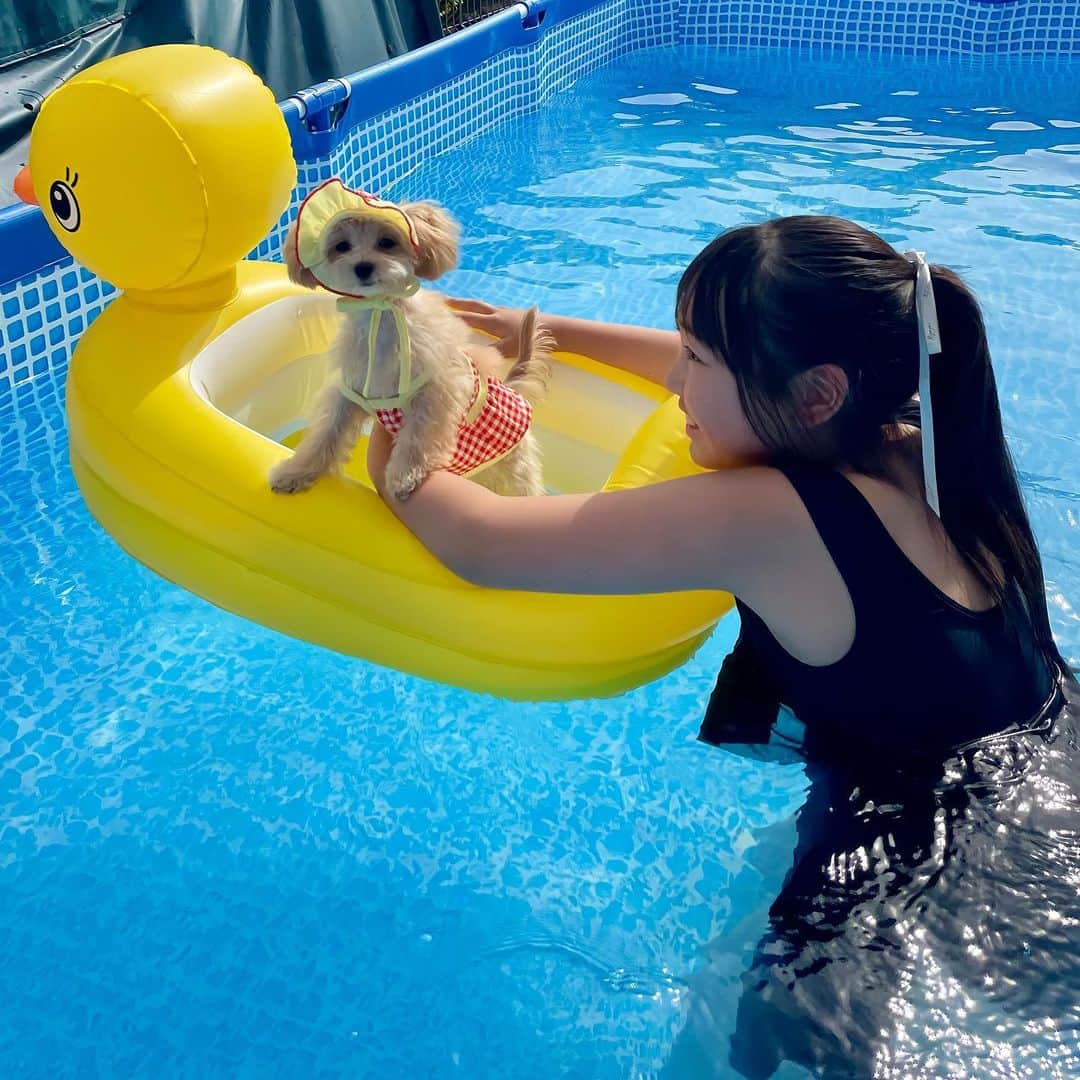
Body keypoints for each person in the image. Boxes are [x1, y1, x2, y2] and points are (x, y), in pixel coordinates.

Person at [366, 215, 1079, 1077]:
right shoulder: (919, 439)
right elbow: (725, 373)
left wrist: (402, 457)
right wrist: (533, 331)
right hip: (1043, 763)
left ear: (815, 395)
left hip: (927, 855)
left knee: (749, 1047)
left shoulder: (767, 517)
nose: (674, 381)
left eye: (697, 362)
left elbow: (484, 543)